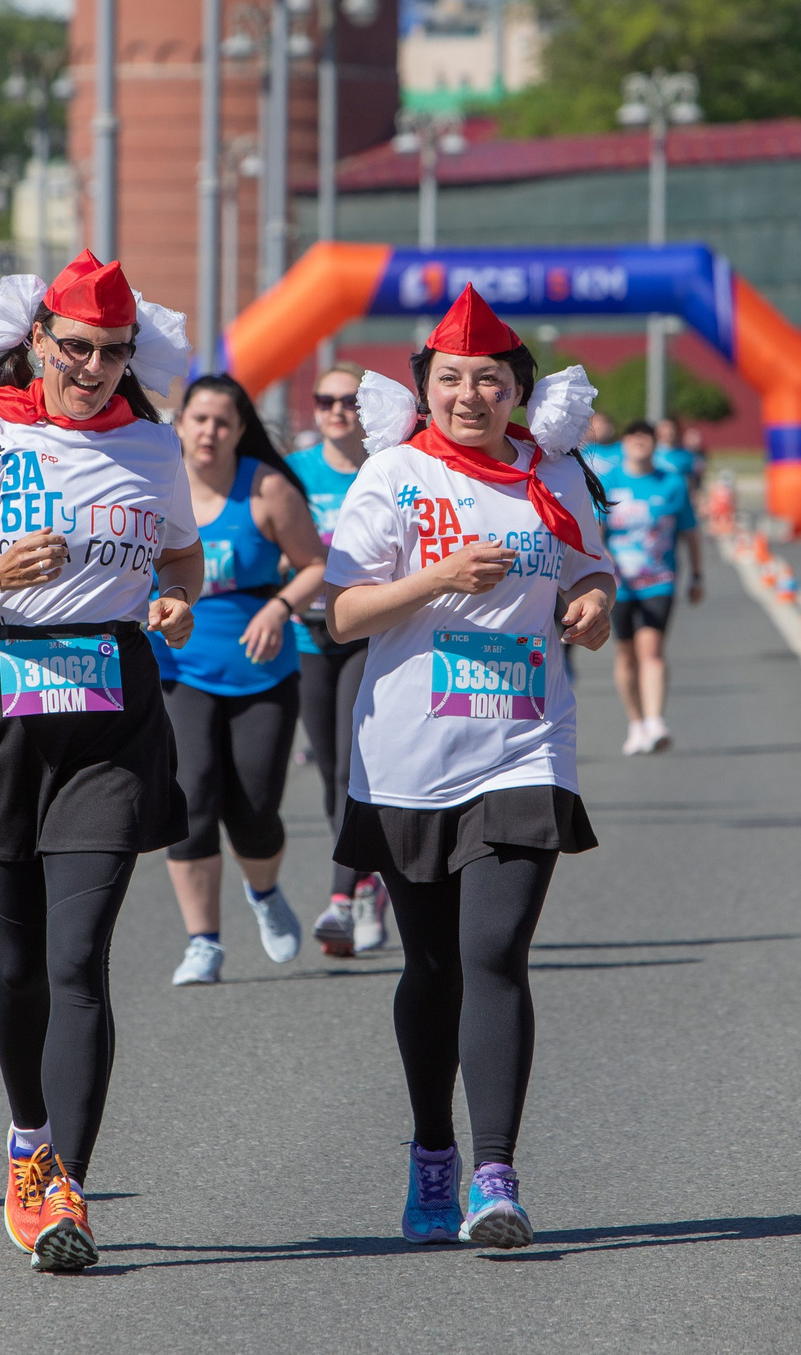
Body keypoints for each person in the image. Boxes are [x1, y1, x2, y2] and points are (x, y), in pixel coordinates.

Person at [0, 251, 200, 1275]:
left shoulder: (151, 449)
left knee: (80, 961)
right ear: (37, 342)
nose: (95, 369)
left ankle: (63, 1184)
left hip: (112, 705)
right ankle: (27, 1135)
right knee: (18, 965)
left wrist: (174, 597)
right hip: (3, 697)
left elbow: (181, 553)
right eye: (76, 349)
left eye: (114, 353)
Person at [324, 285, 615, 1250]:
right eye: (451, 378)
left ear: (518, 389)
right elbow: (346, 614)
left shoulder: (555, 474)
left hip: (526, 745)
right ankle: (432, 1153)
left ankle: (496, 1173)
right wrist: (437, 578)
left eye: (489, 378)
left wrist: (594, 604)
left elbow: (590, 568)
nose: (470, 395)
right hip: (409, 757)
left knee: (495, 953)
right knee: (434, 967)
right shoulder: (394, 476)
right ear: (425, 389)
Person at [159, 375, 326, 986]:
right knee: (192, 797)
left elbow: (315, 566)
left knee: (254, 809)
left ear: (239, 428)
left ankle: (264, 891)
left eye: (223, 422)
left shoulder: (267, 487)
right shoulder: (155, 485)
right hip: (178, 669)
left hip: (261, 670)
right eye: (199, 419)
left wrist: (278, 608)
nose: (209, 432)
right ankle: (203, 941)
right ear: (179, 424)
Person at [291, 363, 389, 958]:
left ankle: (340, 896)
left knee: (353, 771)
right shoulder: (295, 474)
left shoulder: (385, 469)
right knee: (329, 773)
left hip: (364, 633)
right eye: (324, 400)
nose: (336, 410)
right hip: (308, 636)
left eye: (348, 400)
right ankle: (369, 879)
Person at [605, 419, 703, 755]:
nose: (639, 443)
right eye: (632, 437)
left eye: (646, 438)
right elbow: (594, 532)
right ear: (624, 443)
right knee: (625, 653)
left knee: (652, 650)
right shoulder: (608, 482)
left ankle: (655, 719)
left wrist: (697, 576)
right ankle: (635, 723)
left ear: (654, 444)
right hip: (619, 584)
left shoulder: (672, 483)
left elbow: (690, 531)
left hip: (658, 581)